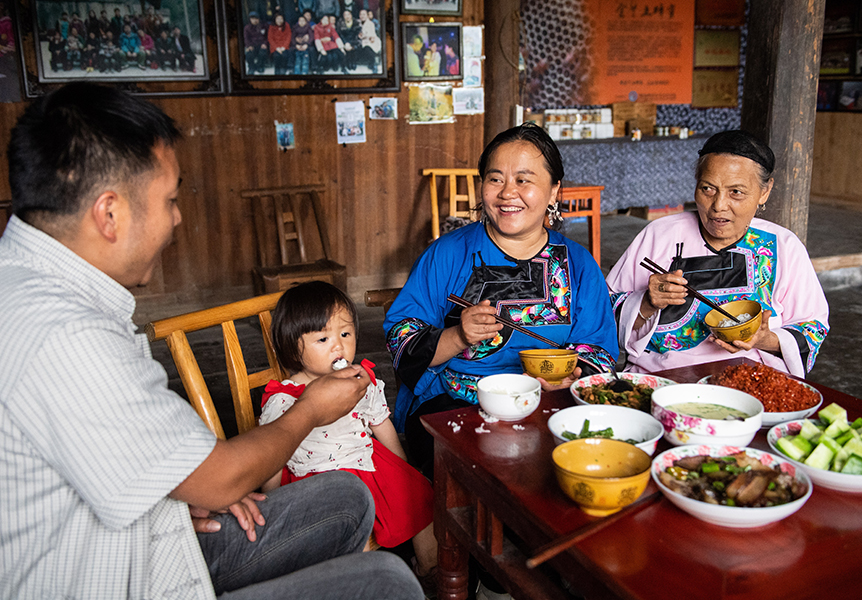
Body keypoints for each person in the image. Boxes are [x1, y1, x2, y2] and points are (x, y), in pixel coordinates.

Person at [0, 81, 423, 599]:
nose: (177, 218)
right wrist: (310, 411)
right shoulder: (64, 331)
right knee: (387, 582)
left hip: (159, 532)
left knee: (347, 497)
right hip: (130, 578)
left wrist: (172, 493)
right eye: (170, 200)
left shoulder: (29, 284)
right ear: (109, 214)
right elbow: (222, 479)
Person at [384, 122, 619, 481]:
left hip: (549, 403)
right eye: (495, 179)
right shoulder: (448, 253)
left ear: (554, 190)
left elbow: (599, 350)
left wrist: (573, 373)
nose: (508, 193)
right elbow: (401, 337)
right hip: (457, 402)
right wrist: (458, 336)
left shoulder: (578, 263)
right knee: (480, 471)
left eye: (524, 180)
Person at [606, 130, 829, 378]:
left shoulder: (783, 246)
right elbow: (601, 314)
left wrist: (765, 340)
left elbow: (813, 327)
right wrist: (647, 302)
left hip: (753, 379)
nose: (719, 205)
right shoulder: (659, 235)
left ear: (764, 192)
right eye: (708, 189)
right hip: (663, 378)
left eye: (736, 192)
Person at [260, 281, 439, 592]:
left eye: (345, 334)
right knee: (339, 536)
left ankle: (429, 568)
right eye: (323, 338)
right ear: (292, 346)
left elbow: (381, 424)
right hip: (313, 480)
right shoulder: (284, 400)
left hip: (368, 463)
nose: (338, 346)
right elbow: (273, 453)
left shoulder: (360, 381)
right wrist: (272, 502)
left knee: (421, 495)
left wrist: (403, 468)